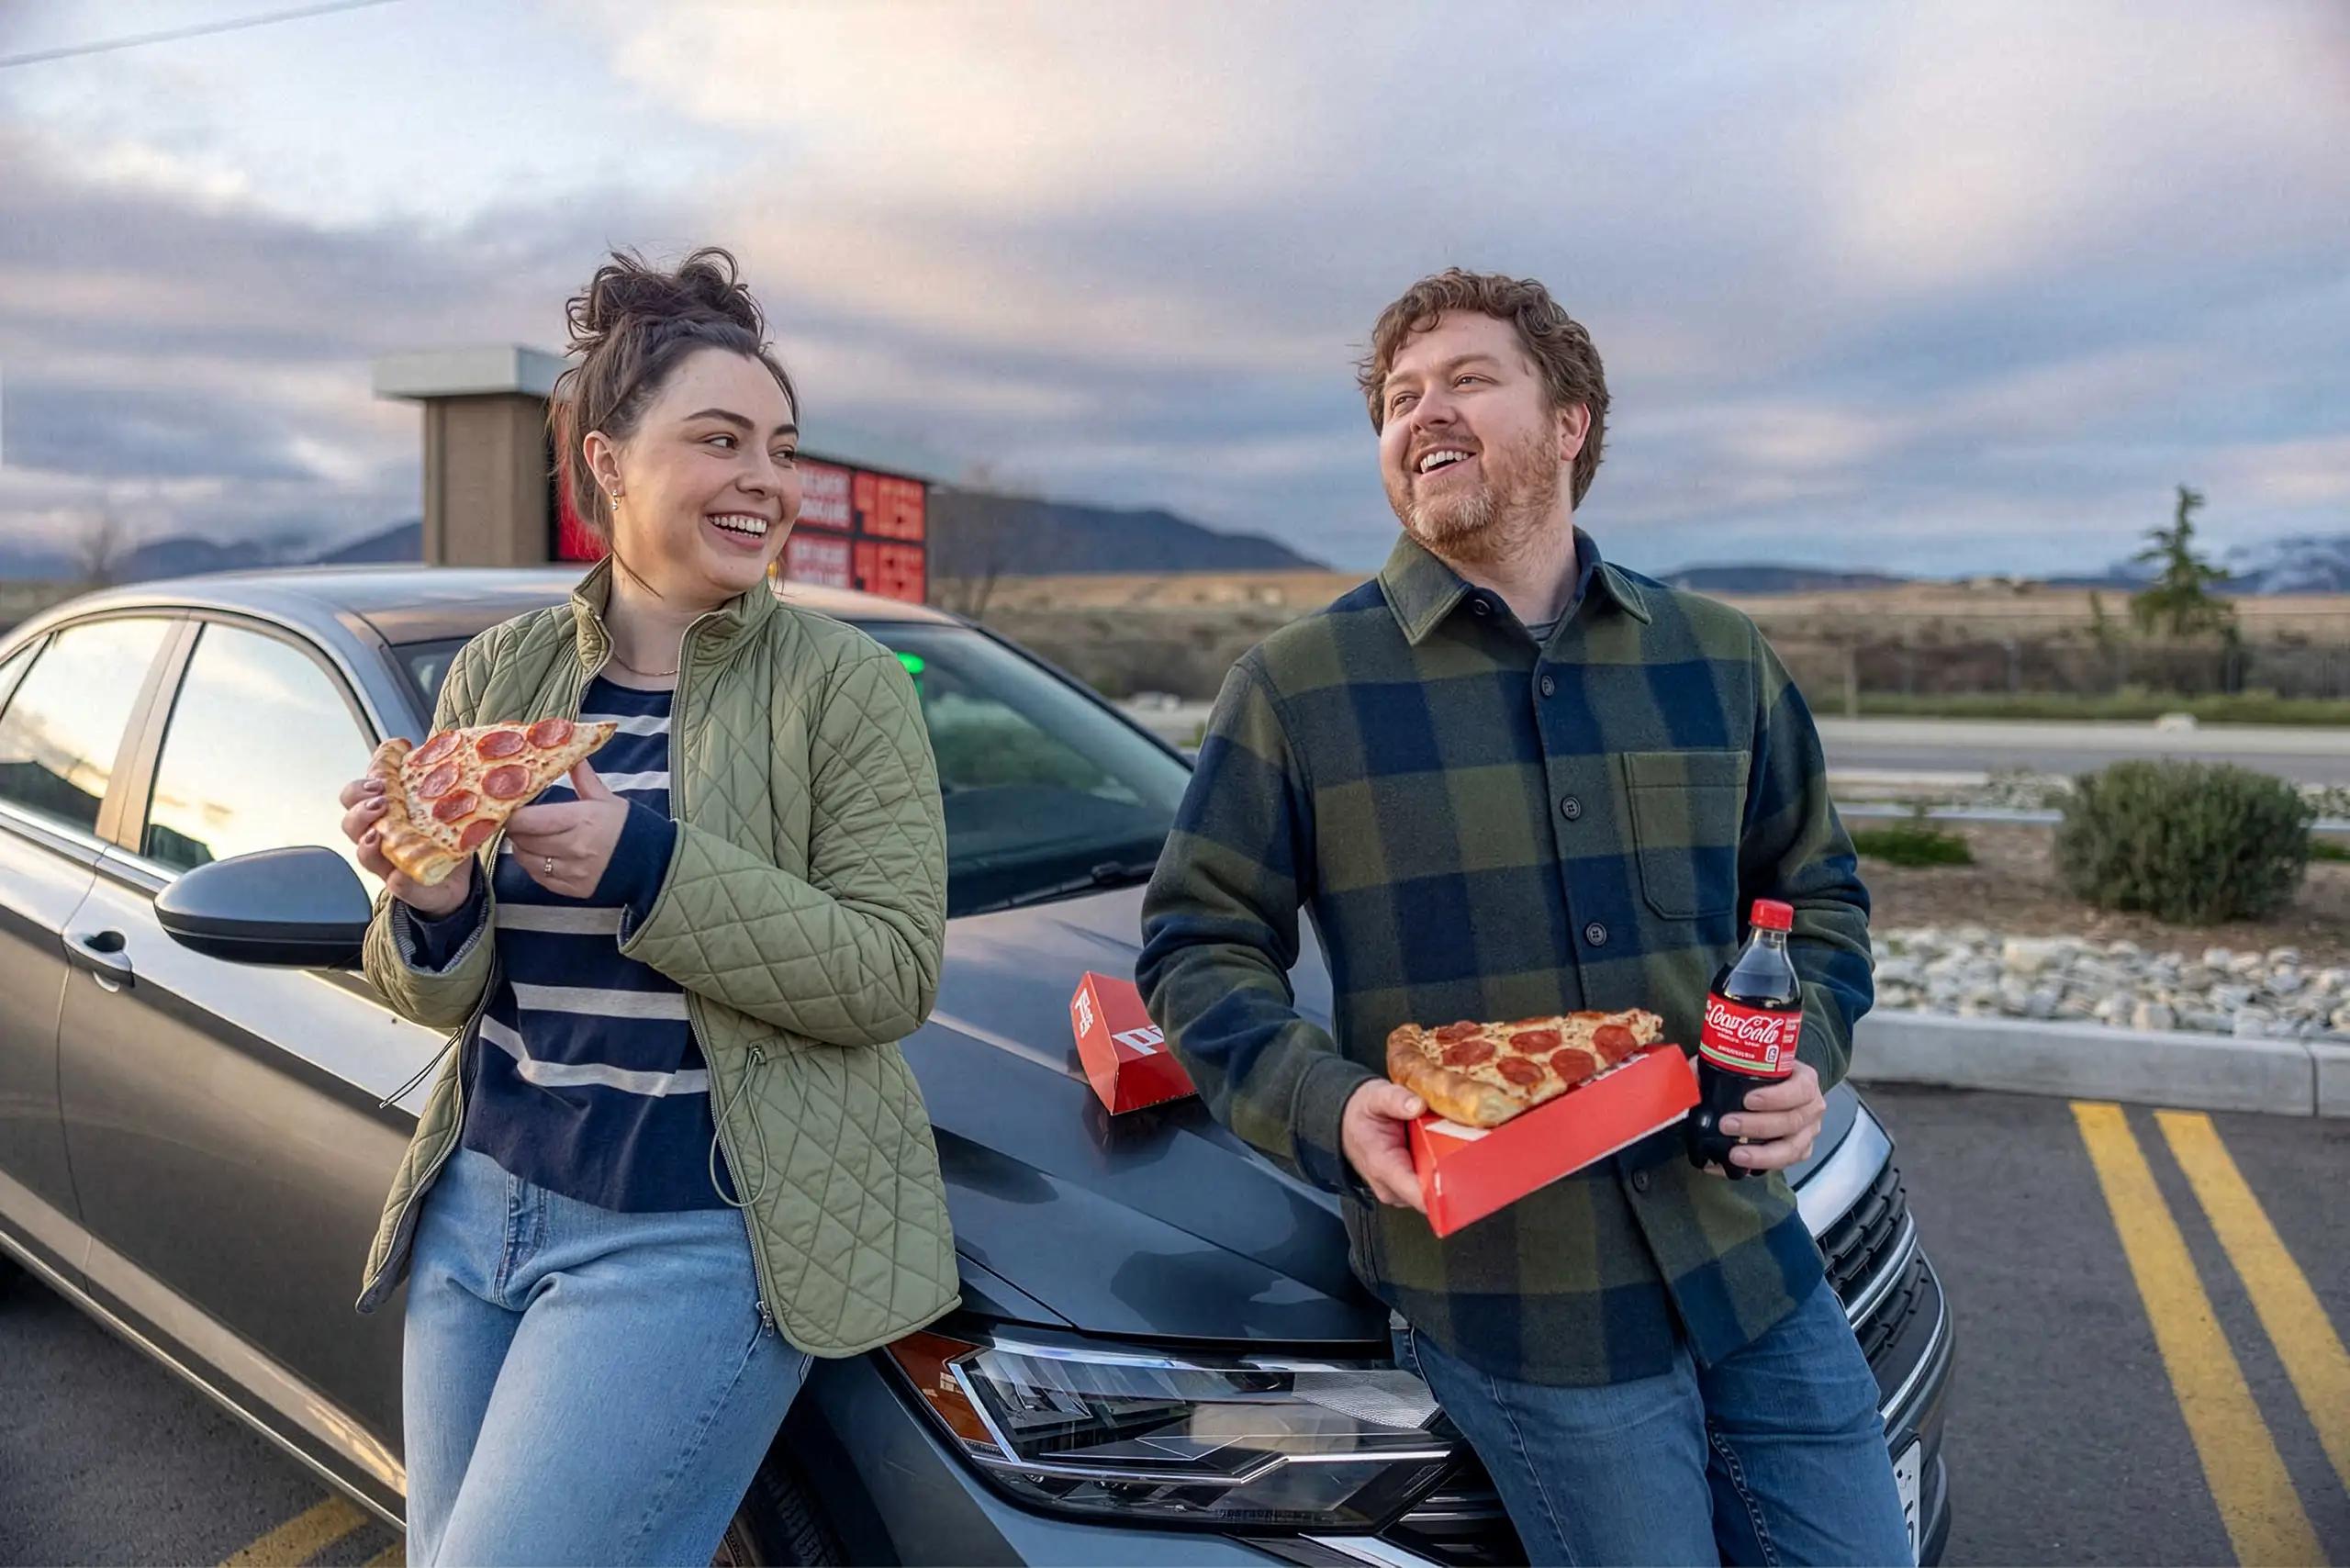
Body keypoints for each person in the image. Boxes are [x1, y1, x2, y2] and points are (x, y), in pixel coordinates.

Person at [1137, 268, 1908, 1565]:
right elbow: (1199, 944)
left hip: (1745, 1258)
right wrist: (1322, 1102)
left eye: (1466, 380)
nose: (1422, 413)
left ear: (1572, 422)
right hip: (1515, 1296)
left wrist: (1810, 1051)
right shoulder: (1298, 688)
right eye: (1397, 399)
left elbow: (1816, 897)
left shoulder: (1716, 660)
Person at [336, 247, 956, 1566]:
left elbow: (890, 973)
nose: (766, 483)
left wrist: (651, 865)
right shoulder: (499, 672)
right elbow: (436, 989)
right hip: (475, 1204)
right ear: (609, 462)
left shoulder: (844, 687)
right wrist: (434, 897)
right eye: (720, 441)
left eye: (782, 450)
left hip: (693, 1230)